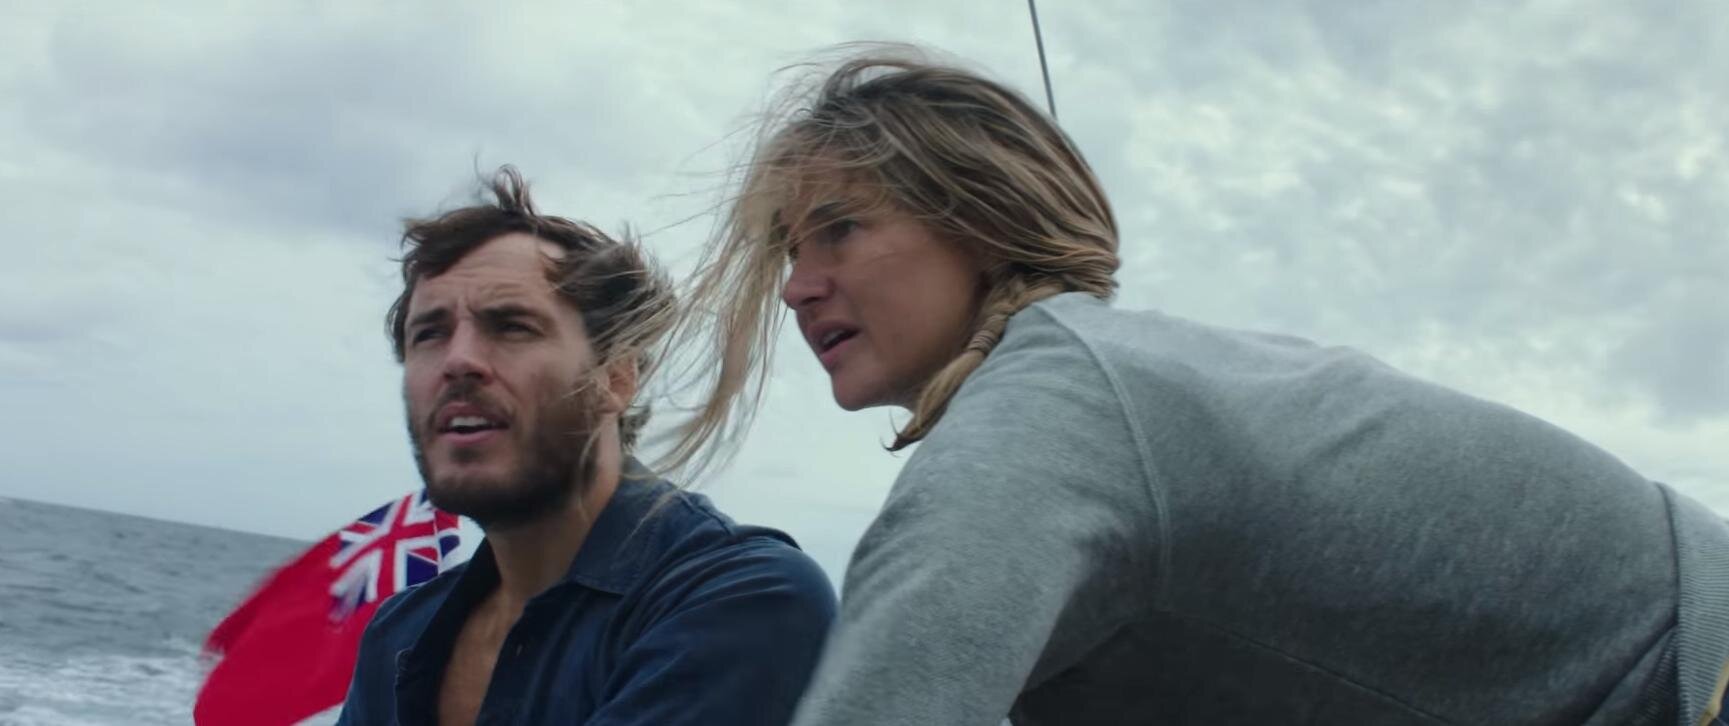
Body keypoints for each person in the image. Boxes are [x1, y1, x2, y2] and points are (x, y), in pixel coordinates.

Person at [667, 44, 1729, 726]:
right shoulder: (1108, 388)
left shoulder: (1043, 417)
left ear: (980, 218)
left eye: (840, 230)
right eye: (790, 251)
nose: (798, 287)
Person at [335, 166, 836, 726]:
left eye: (512, 326)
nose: (458, 361)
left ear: (616, 378)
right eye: (429, 334)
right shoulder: (400, 633)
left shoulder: (741, 600)